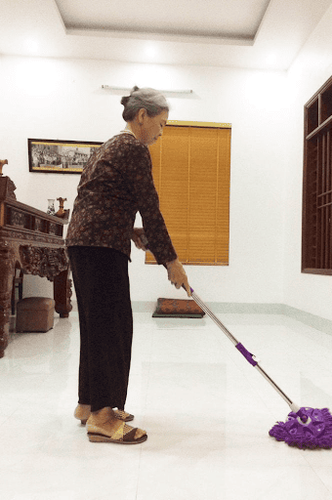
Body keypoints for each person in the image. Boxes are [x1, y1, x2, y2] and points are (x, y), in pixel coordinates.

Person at [65, 86, 190, 444]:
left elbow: (100, 197)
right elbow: (150, 207)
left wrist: (127, 228)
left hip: (83, 243)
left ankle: (89, 404)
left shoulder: (109, 145)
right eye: (161, 125)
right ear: (142, 116)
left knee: (95, 325)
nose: (161, 133)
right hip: (102, 248)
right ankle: (104, 417)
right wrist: (172, 261)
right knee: (114, 329)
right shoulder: (133, 148)